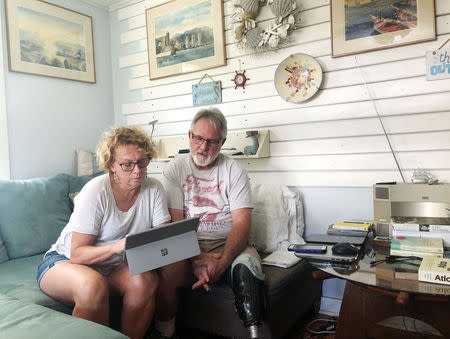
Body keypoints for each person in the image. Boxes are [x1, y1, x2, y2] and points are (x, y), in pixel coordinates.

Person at [37, 126, 171, 339]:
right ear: (111, 165)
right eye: (127, 164)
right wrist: (118, 246)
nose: (137, 170)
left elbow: (163, 239)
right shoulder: (96, 190)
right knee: (93, 286)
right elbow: (78, 254)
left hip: (112, 266)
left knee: (145, 280)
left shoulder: (154, 188)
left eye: (142, 162)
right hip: (64, 261)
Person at [156, 108, 265, 339]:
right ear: (189, 136)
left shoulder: (234, 170)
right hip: (188, 245)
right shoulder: (175, 169)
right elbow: (176, 224)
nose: (203, 147)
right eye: (198, 138)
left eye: (212, 142)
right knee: (165, 274)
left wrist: (223, 262)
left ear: (223, 141)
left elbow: (242, 225)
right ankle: (166, 333)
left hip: (229, 244)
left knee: (248, 273)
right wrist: (196, 258)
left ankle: (255, 334)